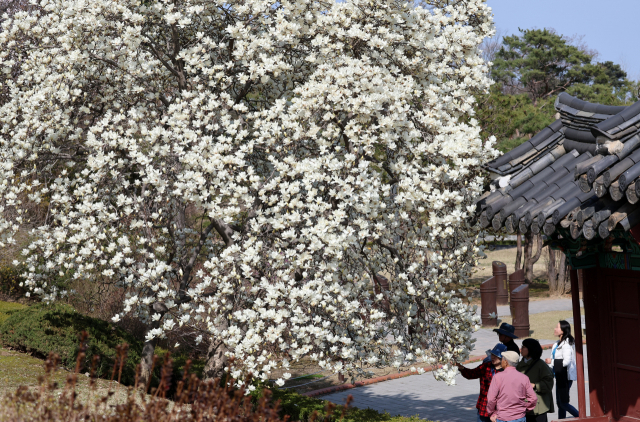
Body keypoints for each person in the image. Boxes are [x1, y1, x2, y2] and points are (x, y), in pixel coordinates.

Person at [457, 344, 508, 422]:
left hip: (500, 410)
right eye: (492, 354)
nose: (493, 357)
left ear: (503, 358)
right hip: (484, 407)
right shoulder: (486, 366)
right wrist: (461, 367)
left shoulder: (507, 371)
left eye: (496, 355)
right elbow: (471, 374)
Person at [487, 351, 537, 422]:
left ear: (506, 362)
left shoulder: (497, 377)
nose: (501, 361)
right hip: (520, 417)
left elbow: (491, 399)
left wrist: (492, 413)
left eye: (502, 360)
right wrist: (525, 408)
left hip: (503, 417)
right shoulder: (524, 377)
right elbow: (533, 398)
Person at [545, 320, 578, 419]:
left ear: (563, 330)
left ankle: (580, 416)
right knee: (560, 403)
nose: (555, 329)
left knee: (563, 403)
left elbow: (567, 361)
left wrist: (552, 361)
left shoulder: (567, 344)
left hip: (565, 377)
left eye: (557, 327)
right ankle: (562, 420)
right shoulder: (556, 344)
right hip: (559, 375)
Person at [517, 339, 554, 422]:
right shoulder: (519, 365)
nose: (521, 349)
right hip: (523, 405)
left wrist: (534, 385)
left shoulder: (541, 365)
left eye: (523, 347)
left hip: (538, 407)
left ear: (530, 349)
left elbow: (549, 384)